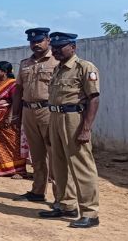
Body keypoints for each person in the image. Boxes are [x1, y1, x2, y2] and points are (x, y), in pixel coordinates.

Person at [38, 32, 101, 229]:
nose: (56, 51)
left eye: (60, 47)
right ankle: (66, 205)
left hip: (74, 119)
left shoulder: (84, 67)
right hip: (55, 117)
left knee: (81, 166)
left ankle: (90, 213)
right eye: (54, 48)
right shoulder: (58, 69)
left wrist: (86, 128)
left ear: (73, 47)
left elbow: (94, 99)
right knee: (59, 165)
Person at [11, 27, 75, 204]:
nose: (36, 44)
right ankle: (38, 191)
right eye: (32, 42)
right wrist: (15, 114)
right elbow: (18, 89)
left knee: (55, 154)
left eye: (39, 41)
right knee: (36, 154)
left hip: (48, 110)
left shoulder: (56, 61)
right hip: (28, 111)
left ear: (48, 40)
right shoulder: (25, 63)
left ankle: (61, 197)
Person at [0, 61, 26, 177]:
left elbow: (16, 102)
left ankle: (18, 169)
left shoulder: (12, 84)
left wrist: (11, 117)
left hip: (6, 116)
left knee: (11, 143)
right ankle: (0, 168)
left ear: (4, 72)